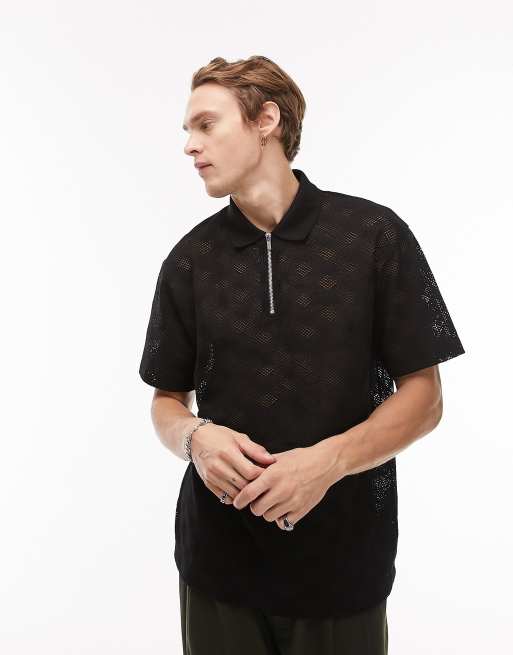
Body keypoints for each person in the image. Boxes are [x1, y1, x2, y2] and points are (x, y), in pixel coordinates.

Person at [138, 55, 465, 655]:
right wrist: (195, 439)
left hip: (344, 563)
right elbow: (166, 401)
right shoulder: (188, 261)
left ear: (266, 120)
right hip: (217, 565)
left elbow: (426, 399)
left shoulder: (374, 236)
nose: (190, 145)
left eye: (206, 124)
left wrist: (325, 464)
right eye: (187, 130)